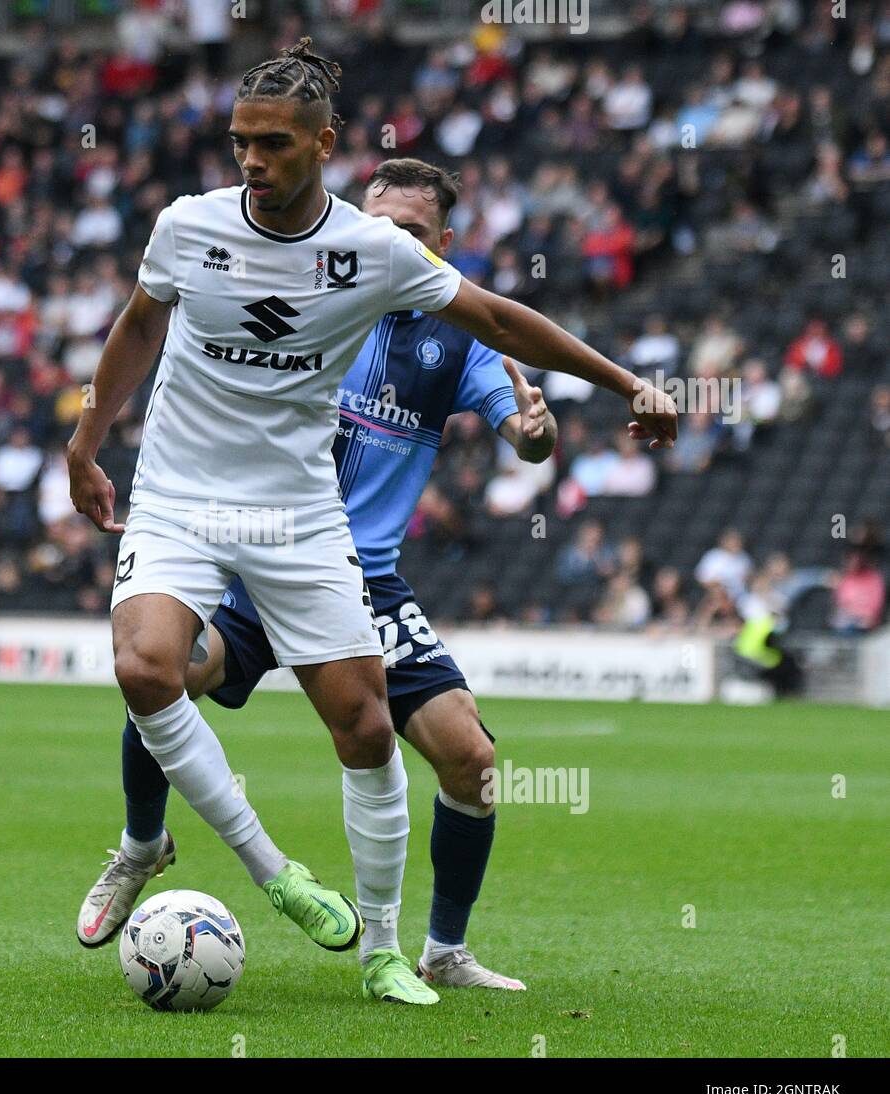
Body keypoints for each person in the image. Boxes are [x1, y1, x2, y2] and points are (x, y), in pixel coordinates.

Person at [66, 39, 676, 1004]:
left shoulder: (378, 263)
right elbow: (140, 323)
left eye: (272, 144)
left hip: (307, 526)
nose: (252, 162)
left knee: (373, 732)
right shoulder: (187, 227)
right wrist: (85, 438)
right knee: (147, 666)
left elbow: (503, 324)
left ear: (324, 142)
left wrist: (625, 383)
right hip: (183, 500)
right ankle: (252, 869)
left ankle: (396, 950)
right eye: (240, 144)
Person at [80, 158, 561, 994]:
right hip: (253, 549)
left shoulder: (455, 337)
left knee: (470, 761)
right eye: (377, 223)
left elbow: (518, 423)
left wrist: (531, 432)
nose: (387, 241)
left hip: (358, 575)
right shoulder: (327, 292)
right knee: (159, 674)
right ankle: (139, 843)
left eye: (410, 232)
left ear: (443, 245)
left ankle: (440, 950)